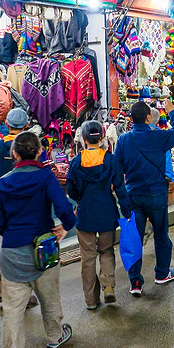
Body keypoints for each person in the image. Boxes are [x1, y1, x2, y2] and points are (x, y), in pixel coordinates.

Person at [0, 132, 77, 348]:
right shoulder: (46, 177)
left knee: (13, 308)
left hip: (12, 252)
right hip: (43, 249)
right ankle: (55, 336)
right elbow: (65, 208)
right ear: (39, 152)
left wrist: (11, 232)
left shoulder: (1, 183)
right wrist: (64, 227)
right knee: (49, 297)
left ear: (13, 154)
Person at [114, 99, 174, 297]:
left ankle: (135, 281)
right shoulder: (158, 137)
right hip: (156, 195)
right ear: (148, 118)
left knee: (134, 239)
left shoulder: (123, 141)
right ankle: (162, 273)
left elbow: (116, 170)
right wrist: (171, 112)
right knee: (161, 235)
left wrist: (122, 196)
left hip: (133, 196)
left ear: (131, 119)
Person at [66, 121, 131, 310]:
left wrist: (80, 200)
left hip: (85, 214)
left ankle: (91, 300)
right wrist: (126, 211)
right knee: (106, 250)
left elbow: (71, 189)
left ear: (84, 139)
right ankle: (108, 285)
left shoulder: (76, 162)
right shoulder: (110, 160)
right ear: (102, 137)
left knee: (87, 258)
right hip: (107, 213)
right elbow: (120, 188)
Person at [0, 108, 36, 305]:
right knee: (24, 249)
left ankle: (1, 284)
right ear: (25, 126)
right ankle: (22, 292)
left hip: (2, 205)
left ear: (6, 124)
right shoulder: (31, 148)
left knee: (8, 244)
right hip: (25, 207)